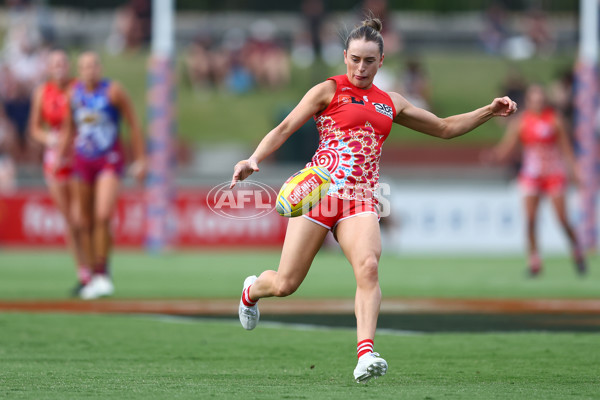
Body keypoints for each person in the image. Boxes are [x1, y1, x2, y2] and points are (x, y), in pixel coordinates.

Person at [230, 17, 517, 383]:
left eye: (368, 61)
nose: (360, 67)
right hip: (321, 192)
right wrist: (254, 159)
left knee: (368, 266)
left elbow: (445, 128)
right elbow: (285, 127)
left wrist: (489, 111)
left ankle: (365, 354)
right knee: (285, 284)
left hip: (364, 198)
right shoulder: (328, 90)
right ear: (345, 57)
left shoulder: (390, 102)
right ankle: (251, 290)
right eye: (354, 59)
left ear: (381, 61)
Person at [58, 51, 147, 300]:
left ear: (100, 67)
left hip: (109, 159)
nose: (90, 70)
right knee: (83, 221)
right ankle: (91, 275)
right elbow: (68, 128)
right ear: (79, 70)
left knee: (103, 214)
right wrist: (60, 155)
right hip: (82, 161)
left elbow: (133, 123)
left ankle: (103, 271)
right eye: (85, 66)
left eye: (94, 65)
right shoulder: (73, 95)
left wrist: (140, 159)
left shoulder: (113, 91)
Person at [487, 84, 586, 277]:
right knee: (530, 220)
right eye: (534, 97)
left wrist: (575, 171)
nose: (538, 100)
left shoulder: (554, 120)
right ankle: (534, 260)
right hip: (531, 174)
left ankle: (576, 250)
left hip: (553, 173)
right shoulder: (522, 122)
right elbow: (508, 146)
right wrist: (495, 156)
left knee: (562, 220)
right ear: (529, 100)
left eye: (540, 96)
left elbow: (567, 150)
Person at [29, 49, 88, 294]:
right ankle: (82, 271)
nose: (60, 67)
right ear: (49, 68)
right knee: (69, 220)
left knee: (80, 216)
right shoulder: (43, 92)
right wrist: (48, 139)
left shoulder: (78, 88)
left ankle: (96, 267)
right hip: (55, 159)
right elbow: (34, 128)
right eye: (55, 64)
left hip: (78, 156)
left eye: (63, 62)